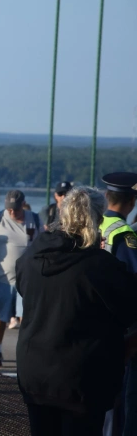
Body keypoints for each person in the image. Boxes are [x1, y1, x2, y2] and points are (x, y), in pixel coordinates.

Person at [16, 186, 137, 436]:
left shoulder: (30, 260)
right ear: (96, 220)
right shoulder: (100, 267)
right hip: (84, 381)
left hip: (35, 374)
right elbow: (130, 310)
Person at [0, 189, 40, 368]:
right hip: (2, 278)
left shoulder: (35, 219)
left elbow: (41, 247)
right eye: (9, 208)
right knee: (0, 315)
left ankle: (24, 352)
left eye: (15, 208)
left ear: (23, 204)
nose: (12, 212)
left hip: (27, 279)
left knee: (25, 317)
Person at [99, 172, 137, 435]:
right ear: (132, 202)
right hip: (119, 327)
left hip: (91, 320)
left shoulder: (93, 224)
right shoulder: (125, 234)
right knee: (121, 397)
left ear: (105, 196)